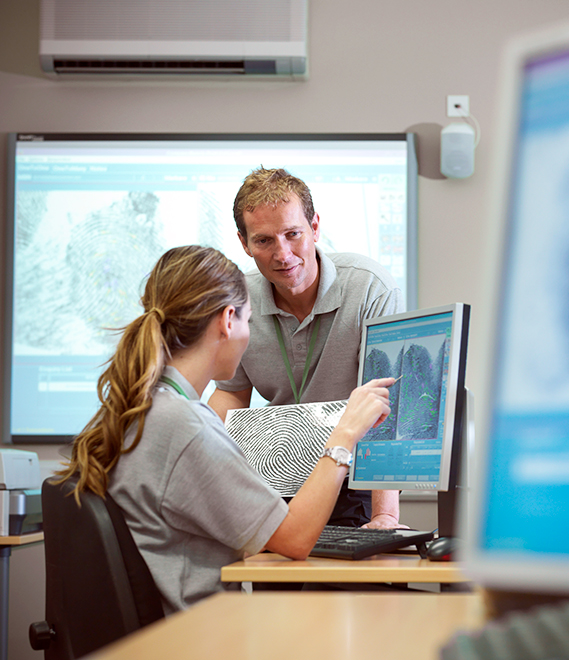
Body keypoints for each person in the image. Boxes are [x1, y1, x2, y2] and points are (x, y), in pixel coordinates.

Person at [54, 246, 394, 614]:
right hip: (202, 635)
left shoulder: (140, 410)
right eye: (248, 320)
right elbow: (295, 539)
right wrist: (345, 433)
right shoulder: (183, 427)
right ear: (228, 320)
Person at [208, 167, 404, 529]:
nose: (283, 254)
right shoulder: (239, 300)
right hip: (273, 478)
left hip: (353, 474)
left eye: (293, 234)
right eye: (264, 241)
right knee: (276, 583)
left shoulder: (369, 288)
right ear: (244, 243)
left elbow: (384, 403)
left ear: (315, 227)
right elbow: (230, 395)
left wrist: (385, 516)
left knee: (344, 584)